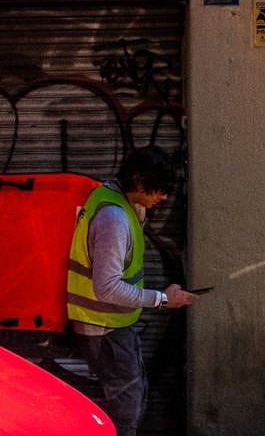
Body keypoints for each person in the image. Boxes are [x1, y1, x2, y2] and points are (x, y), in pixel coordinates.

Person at [66, 146, 196, 436]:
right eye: (159, 189)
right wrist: (163, 300)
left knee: (128, 398)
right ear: (139, 180)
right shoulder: (114, 219)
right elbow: (107, 287)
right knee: (124, 409)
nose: (162, 197)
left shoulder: (111, 199)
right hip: (103, 328)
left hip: (110, 324)